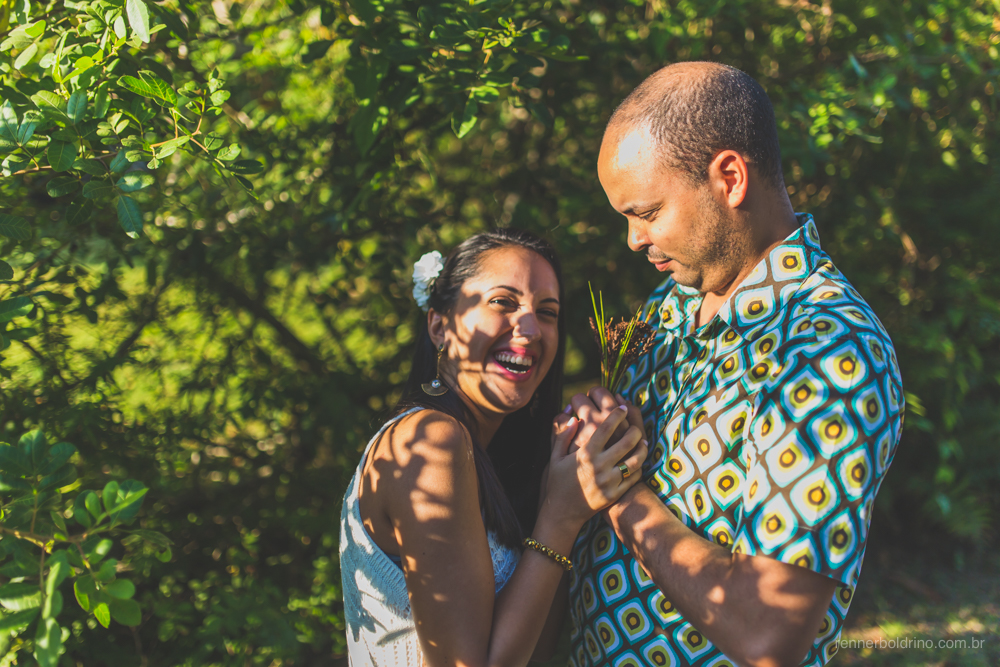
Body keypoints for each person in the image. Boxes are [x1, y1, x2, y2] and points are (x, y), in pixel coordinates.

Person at [564, 62, 904, 667]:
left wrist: (619, 495)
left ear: (729, 178)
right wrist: (597, 428)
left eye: (646, 213)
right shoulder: (671, 304)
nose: (633, 239)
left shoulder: (829, 348)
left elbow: (766, 631)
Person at [340, 228, 649, 667]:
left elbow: (534, 654)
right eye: (503, 302)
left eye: (547, 312)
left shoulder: (482, 458)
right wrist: (560, 516)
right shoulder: (428, 441)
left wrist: (561, 483)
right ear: (440, 326)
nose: (529, 329)